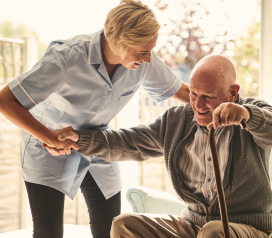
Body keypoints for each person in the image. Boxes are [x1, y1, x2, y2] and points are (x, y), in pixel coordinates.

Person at [0, 1, 190, 237]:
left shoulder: (141, 61)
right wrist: (48, 136)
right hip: (48, 147)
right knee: (48, 232)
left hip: (97, 144)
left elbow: (182, 91)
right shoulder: (66, 59)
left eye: (150, 50)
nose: (149, 59)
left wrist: (227, 103)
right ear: (118, 41)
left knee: (109, 229)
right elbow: (5, 100)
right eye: (143, 52)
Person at [50, 54, 272, 238]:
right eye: (194, 93)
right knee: (123, 224)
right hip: (193, 225)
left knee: (214, 232)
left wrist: (246, 115)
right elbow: (129, 142)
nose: (198, 104)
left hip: (249, 228)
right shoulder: (177, 121)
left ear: (232, 92)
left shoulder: (251, 113)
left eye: (208, 96)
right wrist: (79, 139)